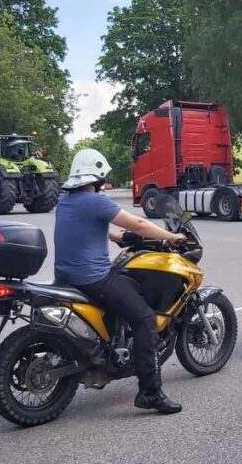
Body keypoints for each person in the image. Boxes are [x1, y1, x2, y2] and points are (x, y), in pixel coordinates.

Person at [54, 148, 186, 415]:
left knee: (125, 293)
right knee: (145, 317)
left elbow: (85, 228)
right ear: (98, 177)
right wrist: (173, 238)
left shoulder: (66, 201)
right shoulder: (96, 202)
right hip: (93, 278)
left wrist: (115, 237)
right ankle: (150, 392)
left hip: (66, 277)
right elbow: (138, 223)